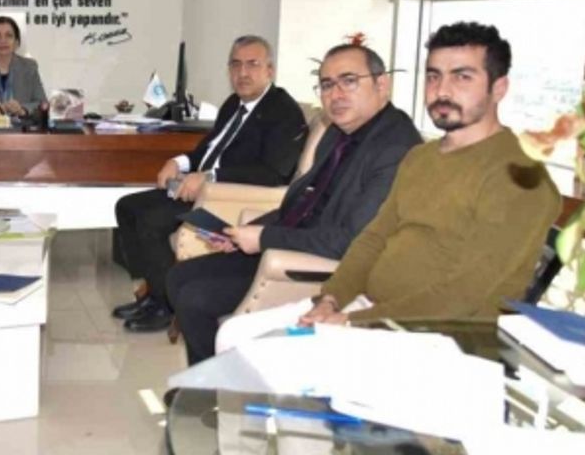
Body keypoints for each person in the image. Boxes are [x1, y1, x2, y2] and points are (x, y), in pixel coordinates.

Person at [215, 22, 560, 354]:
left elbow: (465, 296)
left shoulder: (520, 178)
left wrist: (352, 321)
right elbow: (373, 239)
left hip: (436, 336)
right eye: (434, 76)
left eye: (462, 77)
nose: (442, 90)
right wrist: (331, 299)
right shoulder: (421, 158)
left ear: (499, 88)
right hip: (367, 309)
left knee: (256, 354)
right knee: (233, 335)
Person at [166, 42, 421, 364]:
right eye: (327, 84)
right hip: (295, 241)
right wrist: (247, 231)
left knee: (196, 298)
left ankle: (215, 384)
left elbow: (352, 241)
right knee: (178, 277)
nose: (336, 94)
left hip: (325, 265)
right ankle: (208, 381)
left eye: (349, 81)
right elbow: (304, 203)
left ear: (382, 84)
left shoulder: (395, 149)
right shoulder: (339, 133)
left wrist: (264, 238)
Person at [113, 35, 306, 333]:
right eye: (236, 64)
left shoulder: (283, 112)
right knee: (127, 207)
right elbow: (208, 150)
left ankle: (166, 306)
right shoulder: (233, 104)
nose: (243, 73)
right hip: (201, 190)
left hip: (228, 200)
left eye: (252, 64)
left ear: (270, 70)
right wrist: (178, 162)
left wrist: (211, 177)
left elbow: (273, 173)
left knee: (151, 219)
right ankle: (153, 292)